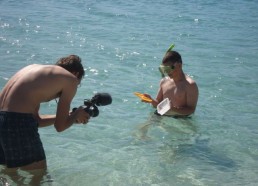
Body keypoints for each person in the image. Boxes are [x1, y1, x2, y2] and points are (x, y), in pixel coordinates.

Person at [0, 55, 90, 171]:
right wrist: (76, 114)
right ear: (76, 74)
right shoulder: (71, 79)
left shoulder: (35, 72)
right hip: (17, 121)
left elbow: (36, 121)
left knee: (9, 173)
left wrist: (70, 116)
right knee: (38, 173)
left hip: (4, 120)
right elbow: (60, 127)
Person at [142, 49, 199, 117]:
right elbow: (158, 104)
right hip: (161, 115)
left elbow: (191, 110)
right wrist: (151, 100)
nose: (166, 72)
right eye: (164, 69)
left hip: (181, 119)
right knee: (143, 127)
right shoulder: (164, 82)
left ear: (179, 65)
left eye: (169, 69)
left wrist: (173, 108)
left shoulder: (190, 85)